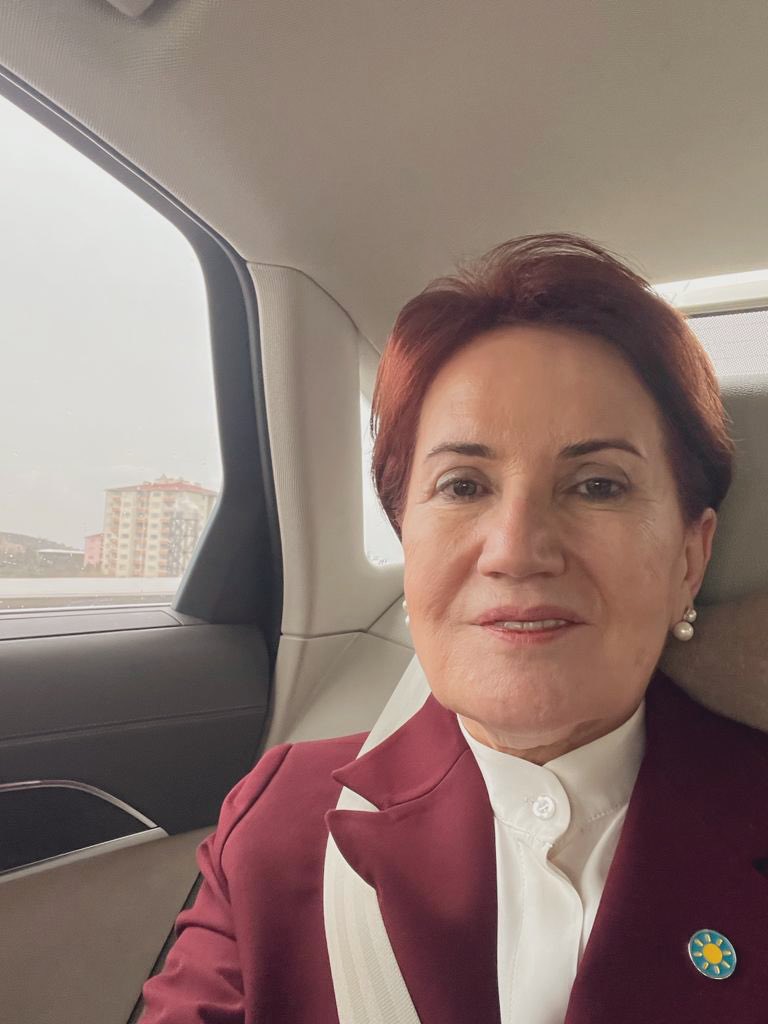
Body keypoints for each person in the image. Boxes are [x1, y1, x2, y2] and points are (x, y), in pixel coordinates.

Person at [140, 234, 768, 1023]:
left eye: (598, 486)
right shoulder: (279, 819)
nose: (516, 550)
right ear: (409, 542)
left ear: (689, 557)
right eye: (464, 486)